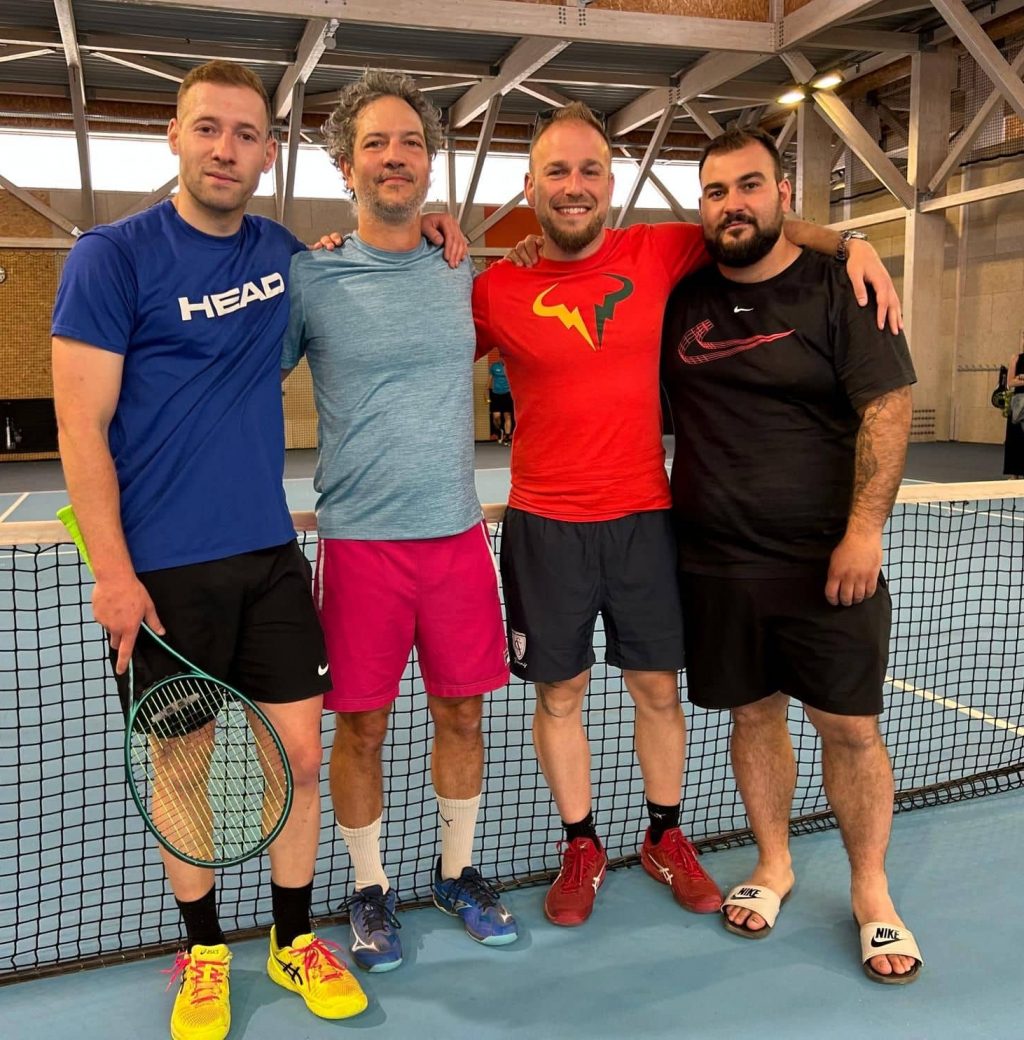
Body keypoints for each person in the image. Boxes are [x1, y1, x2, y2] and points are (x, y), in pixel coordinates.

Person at [50, 59, 464, 1039]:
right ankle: (203, 953)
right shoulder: (110, 257)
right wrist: (114, 573)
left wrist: (437, 224)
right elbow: (79, 426)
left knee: (301, 761)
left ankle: (291, 936)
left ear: (269, 152)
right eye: (208, 128)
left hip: (271, 557)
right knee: (183, 768)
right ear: (175, 135)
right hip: (162, 573)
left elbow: (369, 251)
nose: (225, 148)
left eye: (245, 133)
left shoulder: (285, 256)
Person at [473, 101, 904, 929]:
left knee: (656, 690)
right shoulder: (496, 288)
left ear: (613, 185)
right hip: (544, 525)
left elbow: (762, 224)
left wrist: (852, 241)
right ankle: (581, 844)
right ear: (529, 187)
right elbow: (426, 340)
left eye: (590, 170)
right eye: (556, 171)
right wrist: (426, 237)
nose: (574, 185)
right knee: (560, 693)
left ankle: (664, 835)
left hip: (647, 518)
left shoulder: (660, 250)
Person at [661, 127, 921, 984]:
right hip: (716, 563)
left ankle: (871, 890)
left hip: (827, 562)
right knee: (753, 717)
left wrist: (865, 530)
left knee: (849, 728)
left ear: (782, 194)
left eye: (749, 186)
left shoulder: (839, 287)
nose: (732, 204)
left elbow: (887, 406)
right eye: (715, 191)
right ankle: (774, 864)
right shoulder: (682, 295)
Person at [281, 70, 517, 976]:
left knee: (462, 715)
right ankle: (370, 887)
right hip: (360, 546)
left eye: (410, 142)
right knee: (363, 730)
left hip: (455, 538)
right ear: (346, 166)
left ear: (428, 163)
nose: (394, 156)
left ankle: (456, 874)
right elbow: (242, 376)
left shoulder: (459, 265)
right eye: (374, 143)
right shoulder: (311, 276)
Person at [1003, 336, 1024, 478]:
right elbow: (1010, 382)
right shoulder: (1016, 358)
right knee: (1016, 438)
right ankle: (1014, 473)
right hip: (1019, 404)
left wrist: (1021, 378)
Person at [488, 357, 515, 444]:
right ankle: (500, 430)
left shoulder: (511, 366)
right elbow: (490, 379)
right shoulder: (494, 366)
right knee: (496, 417)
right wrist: (486, 391)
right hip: (496, 393)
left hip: (507, 393)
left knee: (508, 416)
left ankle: (506, 437)